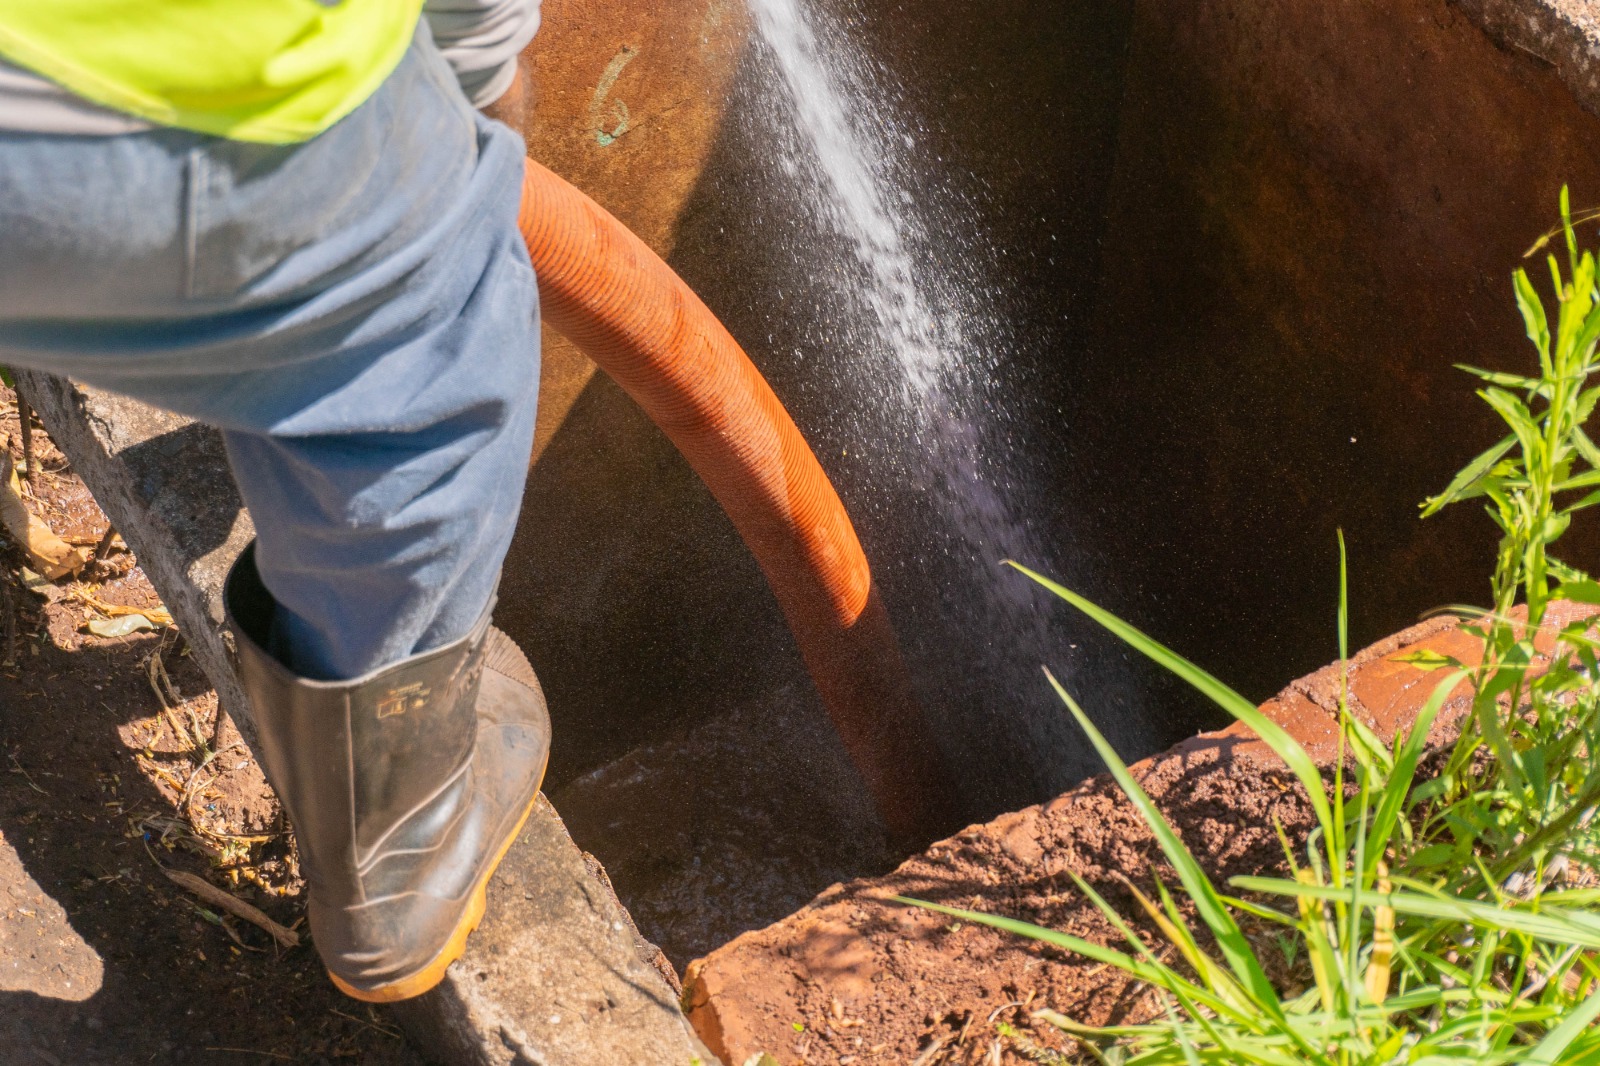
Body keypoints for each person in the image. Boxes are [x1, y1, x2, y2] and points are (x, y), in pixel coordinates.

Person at [0, 0, 552, 1003]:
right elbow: (473, 44)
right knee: (434, 324)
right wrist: (470, 119)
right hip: (78, 130)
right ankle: (397, 846)